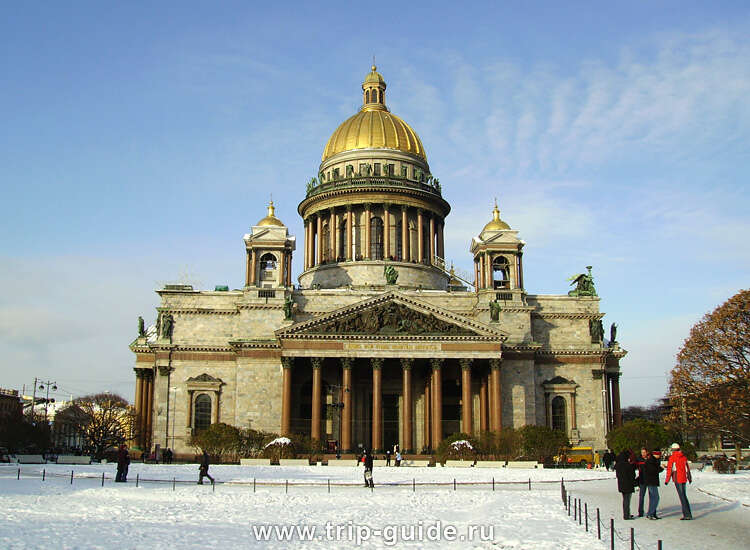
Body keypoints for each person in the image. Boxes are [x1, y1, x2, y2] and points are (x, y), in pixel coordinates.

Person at [665, 443, 692, 520]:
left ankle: (687, 514)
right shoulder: (683, 457)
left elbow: (670, 469)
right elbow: (687, 468)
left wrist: (667, 480)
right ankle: (688, 513)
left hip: (677, 478)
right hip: (683, 478)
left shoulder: (672, 458)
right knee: (684, 496)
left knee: (682, 497)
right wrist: (689, 477)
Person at [615, 450, 636, 520]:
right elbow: (632, 475)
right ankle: (626, 515)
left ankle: (627, 514)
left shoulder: (618, 465)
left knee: (625, 500)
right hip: (628, 484)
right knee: (627, 500)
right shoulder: (628, 465)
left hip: (621, 484)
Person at [643, 449, 664, 519]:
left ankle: (652, 513)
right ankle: (650, 513)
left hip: (652, 481)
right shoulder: (651, 461)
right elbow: (653, 471)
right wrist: (661, 468)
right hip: (651, 482)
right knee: (656, 498)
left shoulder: (653, 460)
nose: (660, 455)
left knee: (653, 498)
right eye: (659, 454)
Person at [634, 447, 648, 517]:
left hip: (649, 479)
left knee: (653, 496)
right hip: (642, 480)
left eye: (644, 452)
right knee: (641, 496)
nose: (643, 454)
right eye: (642, 452)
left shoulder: (649, 459)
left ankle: (652, 511)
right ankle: (640, 511)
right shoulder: (639, 459)